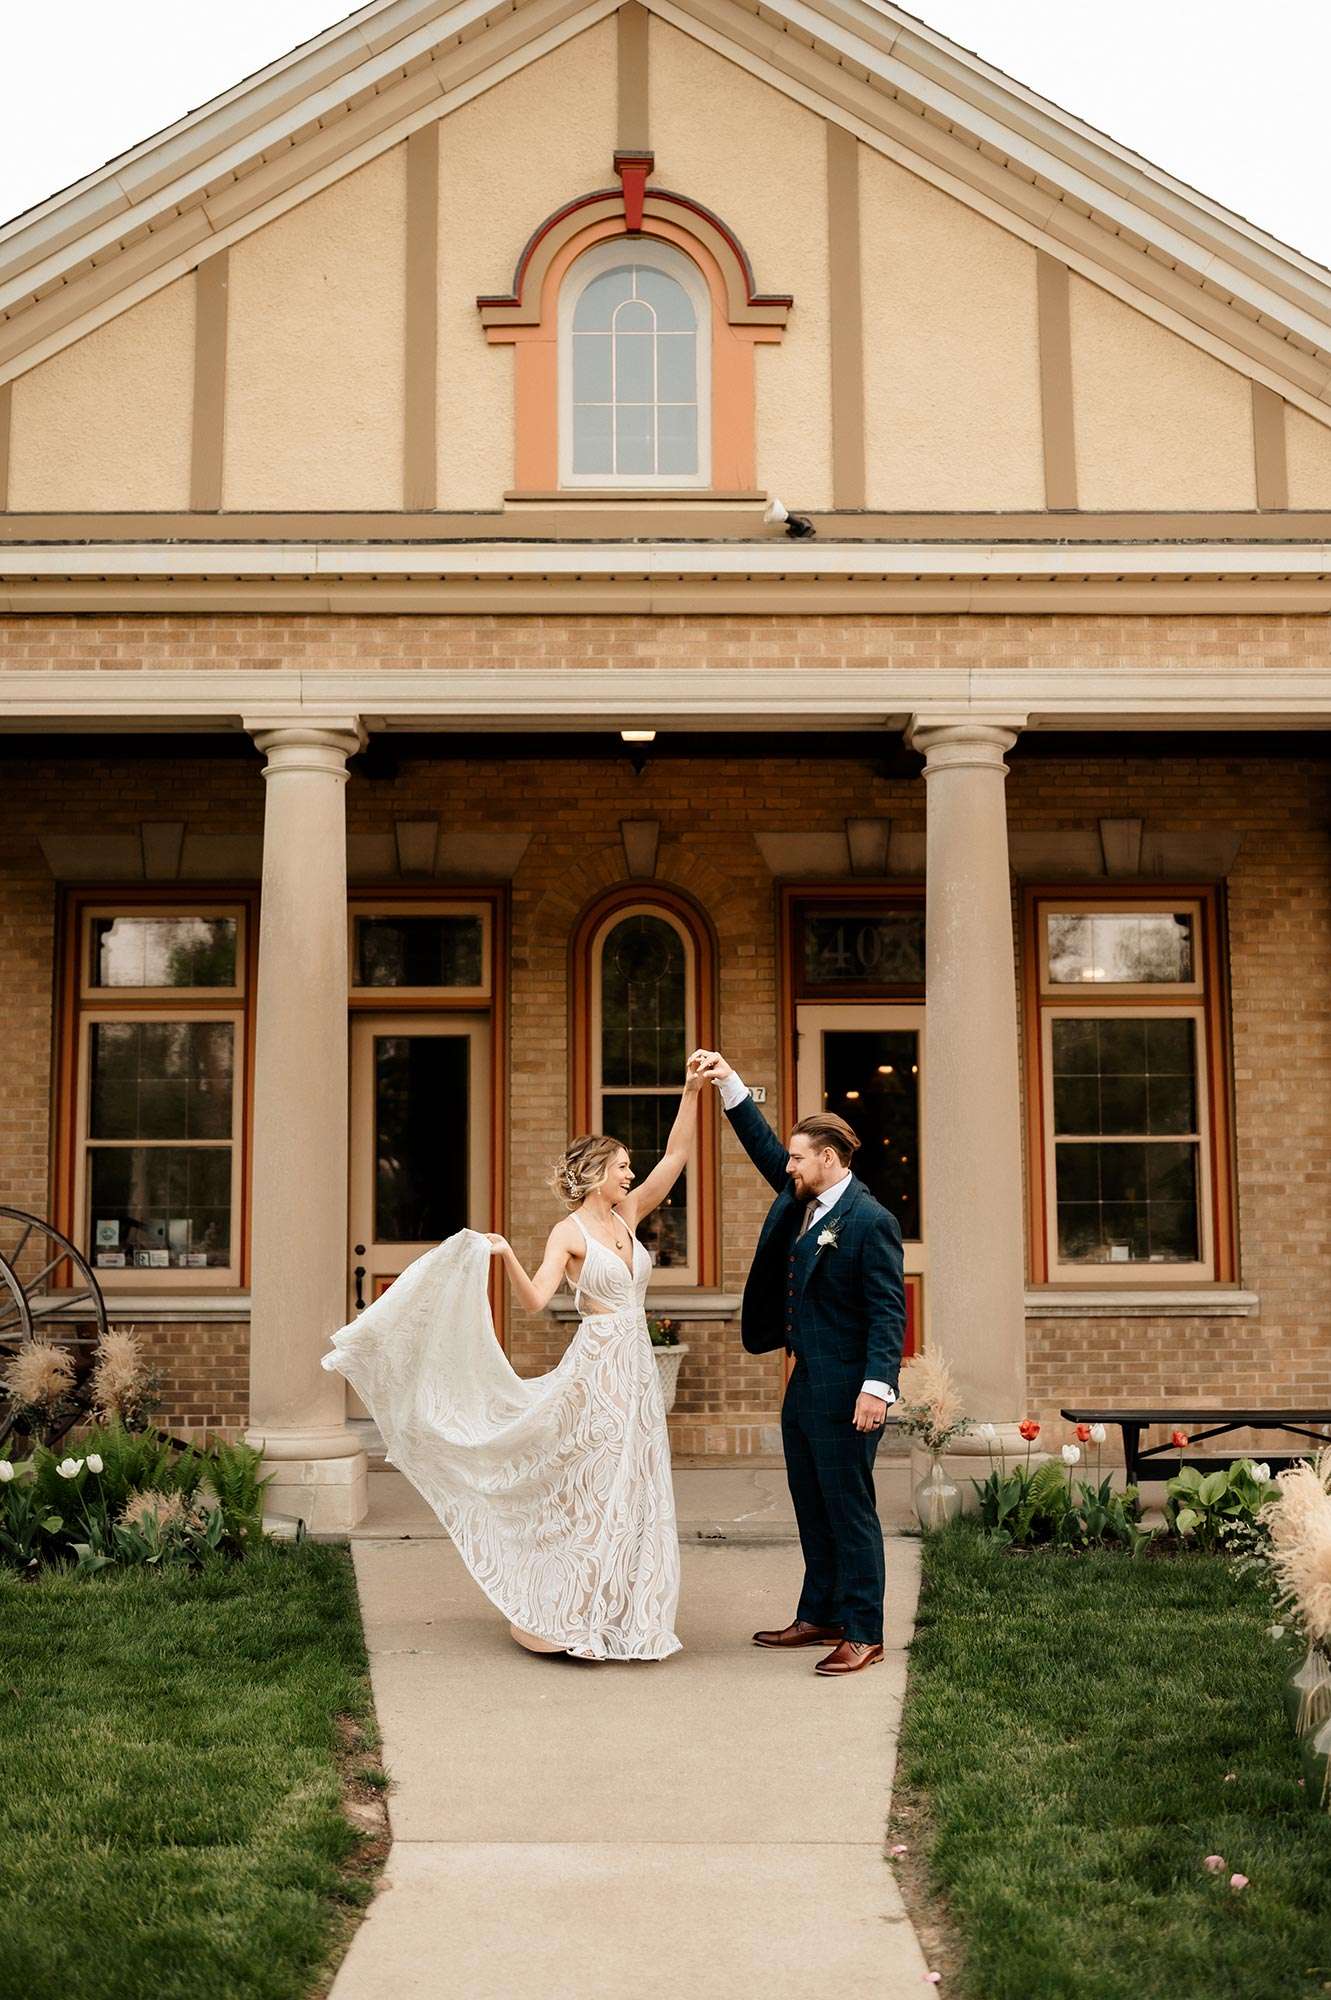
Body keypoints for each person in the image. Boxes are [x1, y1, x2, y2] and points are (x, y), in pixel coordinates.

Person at [322, 1057, 708, 1662]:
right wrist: (503, 1254)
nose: (632, 1174)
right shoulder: (568, 1233)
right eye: (622, 1166)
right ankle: (565, 1610)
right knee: (593, 1488)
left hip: (636, 1369)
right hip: (599, 1369)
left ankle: (626, 1613)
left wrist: (690, 1092)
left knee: (636, 1486)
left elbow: (676, 1159)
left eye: (631, 1166)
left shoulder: (627, 1217)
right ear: (595, 1174)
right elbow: (533, 1302)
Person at [693, 1049, 906, 1677]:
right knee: (811, 1503)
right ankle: (822, 1614)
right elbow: (762, 1146)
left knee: (850, 1508)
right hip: (805, 1381)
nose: (786, 1164)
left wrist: (877, 1389)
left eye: (797, 1155)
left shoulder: (871, 1221)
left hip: (849, 1390)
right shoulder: (801, 1197)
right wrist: (728, 1082)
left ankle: (864, 1630)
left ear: (828, 1160)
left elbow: (888, 1313)